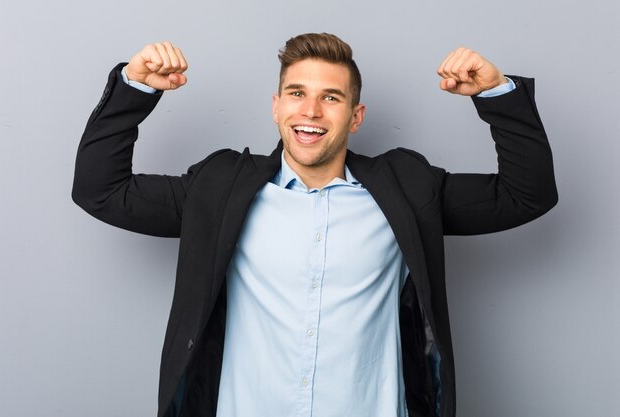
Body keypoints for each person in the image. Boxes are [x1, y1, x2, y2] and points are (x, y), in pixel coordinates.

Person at [72, 33, 557, 417]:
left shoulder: (407, 189)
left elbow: (524, 195)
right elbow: (102, 191)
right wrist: (133, 90)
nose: (311, 110)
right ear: (276, 105)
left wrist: (496, 93)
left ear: (355, 116)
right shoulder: (219, 189)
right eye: (297, 93)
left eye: (331, 97)